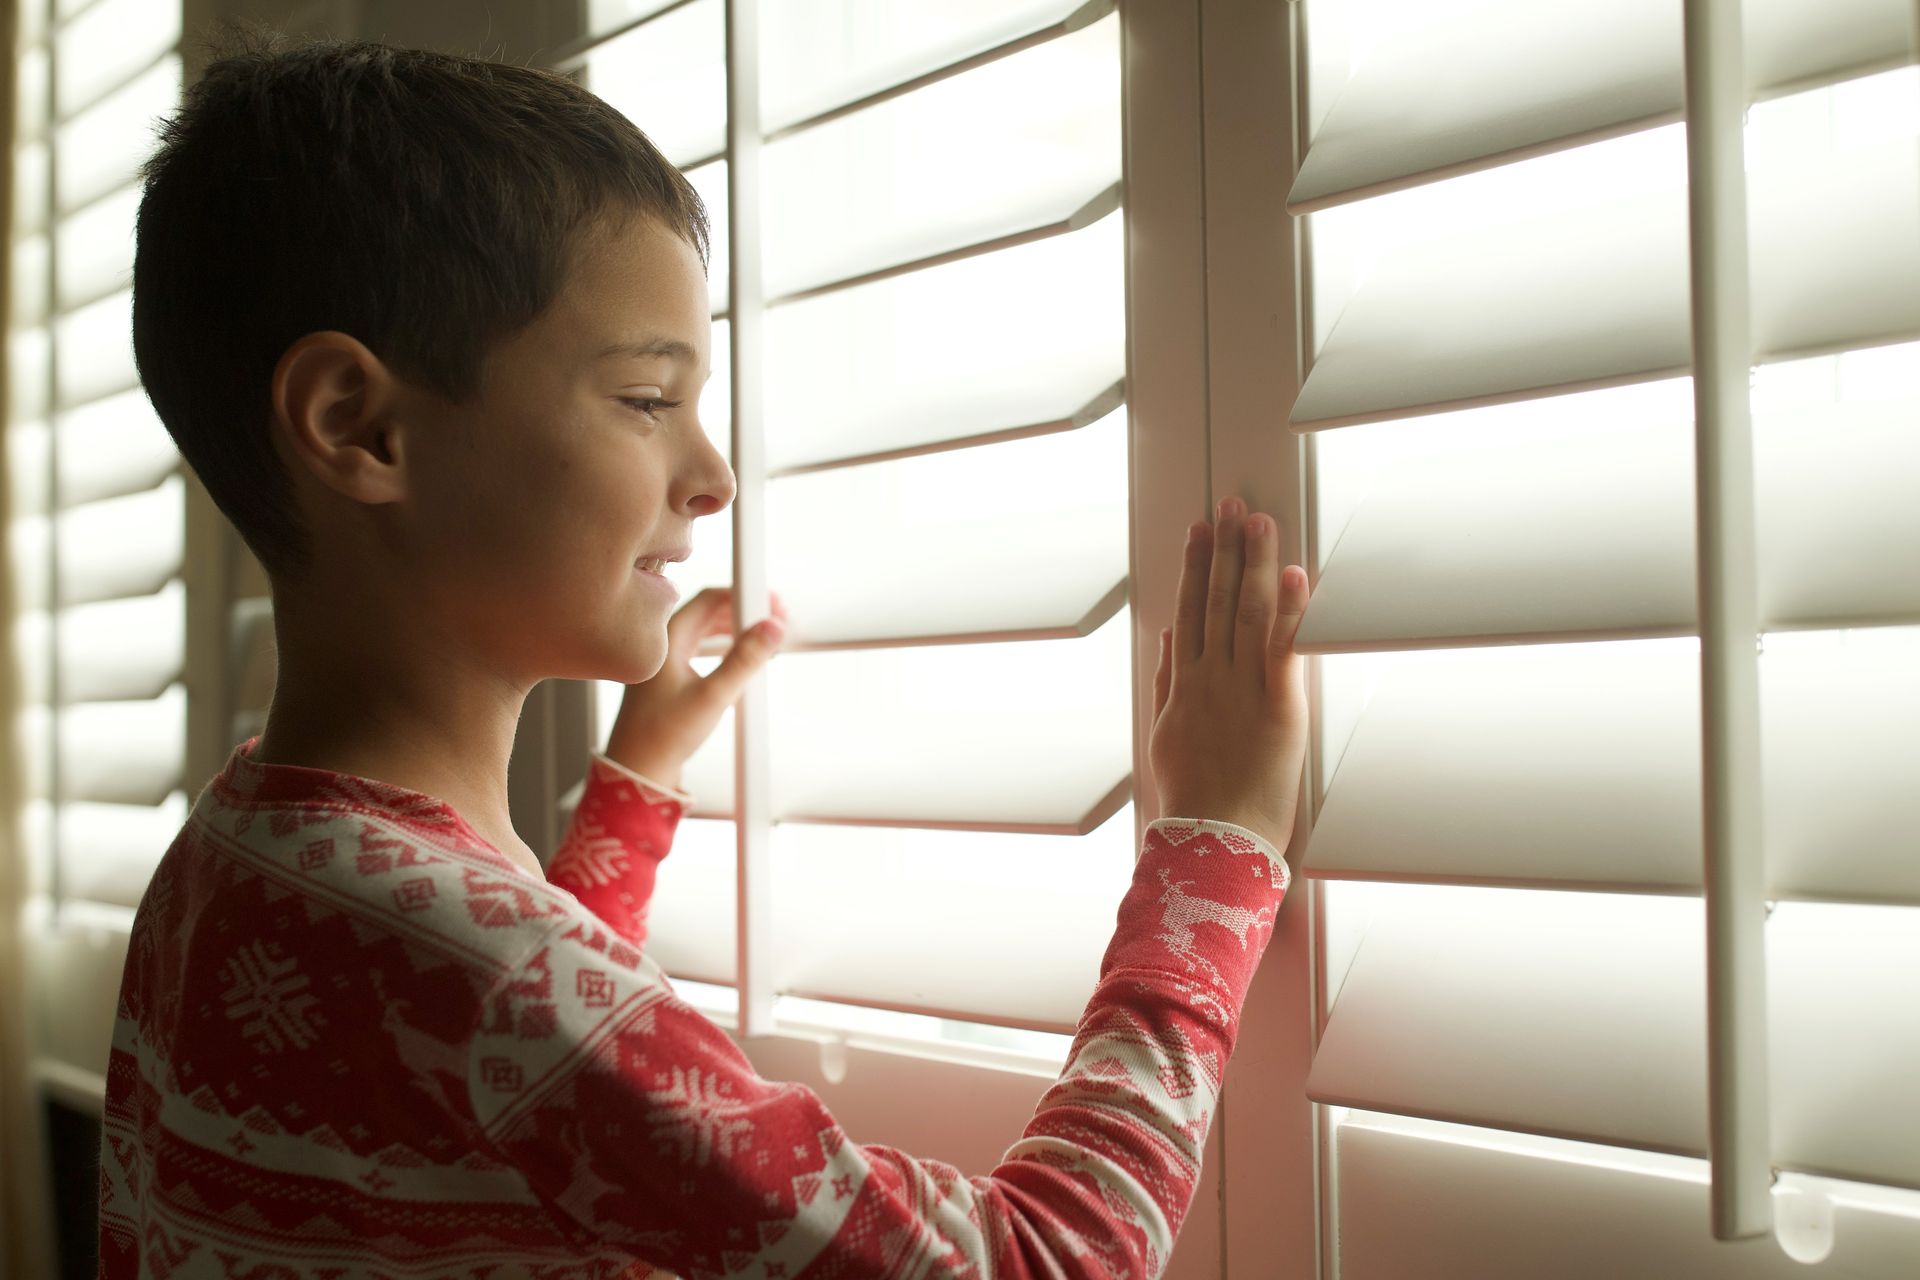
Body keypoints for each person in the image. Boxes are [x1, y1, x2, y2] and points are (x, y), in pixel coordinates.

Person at [97, 26, 1314, 1280]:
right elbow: (1041, 1262)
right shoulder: (488, 967)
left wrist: (640, 781)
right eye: (646, 399)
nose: (714, 474)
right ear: (360, 426)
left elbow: (492, 1084)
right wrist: (1211, 856)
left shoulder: (235, 858)